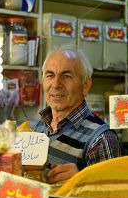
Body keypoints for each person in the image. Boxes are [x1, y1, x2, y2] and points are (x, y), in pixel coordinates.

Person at [35, 46, 120, 184]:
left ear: (85, 85)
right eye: (50, 75)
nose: (56, 84)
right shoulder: (38, 127)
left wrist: (82, 179)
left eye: (66, 76)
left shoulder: (101, 138)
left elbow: (112, 194)